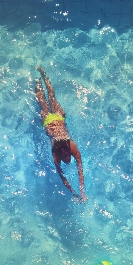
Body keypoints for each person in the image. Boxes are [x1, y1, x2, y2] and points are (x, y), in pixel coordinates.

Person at [35, 66, 87, 203]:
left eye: (67, 158)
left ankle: (40, 77)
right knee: (47, 99)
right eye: (66, 159)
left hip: (56, 119)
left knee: (48, 99)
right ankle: (39, 79)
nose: (68, 160)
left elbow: (79, 171)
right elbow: (63, 176)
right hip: (51, 120)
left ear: (69, 152)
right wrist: (73, 192)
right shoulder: (58, 155)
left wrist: (80, 192)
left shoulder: (72, 148)